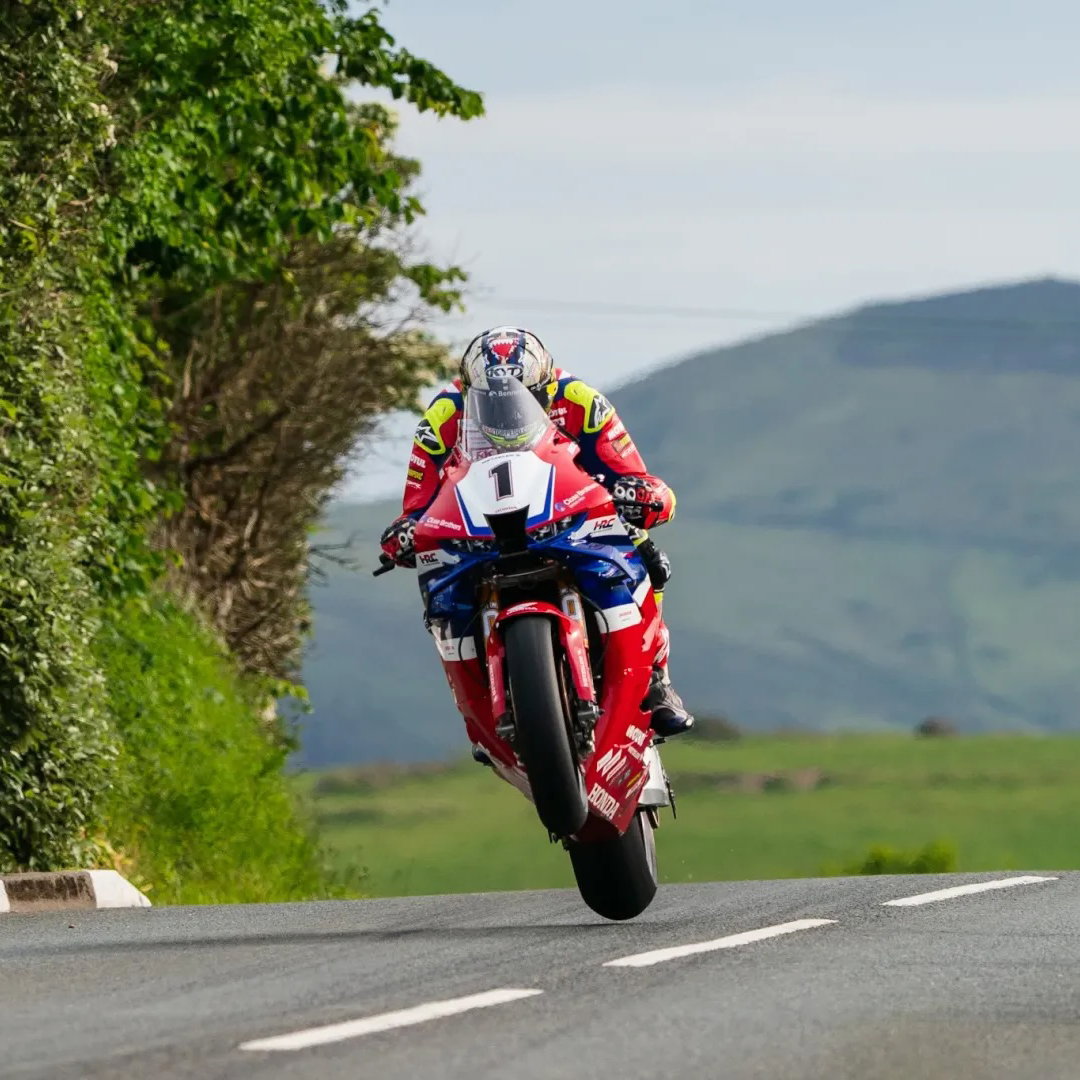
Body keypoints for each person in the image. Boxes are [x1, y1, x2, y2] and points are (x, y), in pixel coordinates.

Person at [380, 326, 694, 737]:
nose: (507, 412)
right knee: (442, 595)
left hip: (567, 509)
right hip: (481, 526)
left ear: (545, 386)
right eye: (491, 401)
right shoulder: (443, 414)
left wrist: (642, 494)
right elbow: (417, 500)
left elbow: (628, 470)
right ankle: (477, 709)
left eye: (523, 397)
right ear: (470, 392)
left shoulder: (581, 400)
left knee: (647, 556)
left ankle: (657, 678)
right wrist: (406, 530)